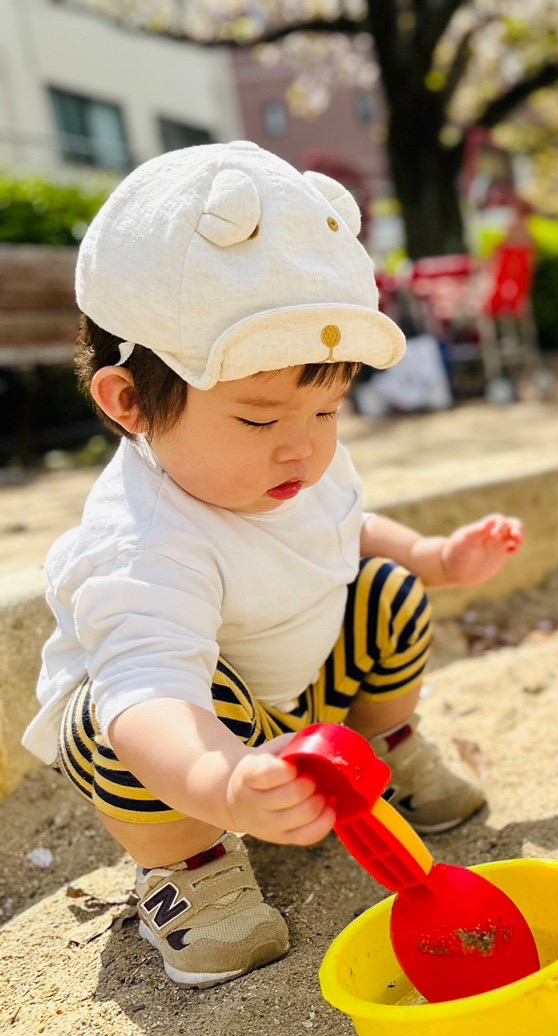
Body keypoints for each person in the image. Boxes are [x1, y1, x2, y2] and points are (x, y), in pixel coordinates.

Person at [22, 142, 525, 988]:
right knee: (112, 720)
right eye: (258, 419)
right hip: (182, 729)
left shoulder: (294, 466)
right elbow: (150, 696)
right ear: (129, 401)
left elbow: (343, 529)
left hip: (296, 693)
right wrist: (223, 784)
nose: (303, 446)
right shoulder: (142, 541)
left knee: (387, 591)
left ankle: (382, 745)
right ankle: (189, 868)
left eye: (328, 407)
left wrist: (434, 557)